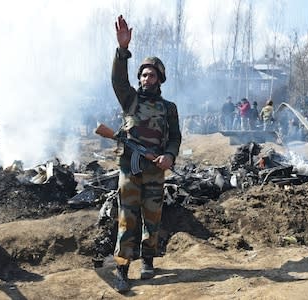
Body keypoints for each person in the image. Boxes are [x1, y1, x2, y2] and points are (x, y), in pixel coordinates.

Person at [112, 15, 181, 293]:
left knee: (152, 218)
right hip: (130, 168)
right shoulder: (130, 98)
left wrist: (170, 156)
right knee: (127, 219)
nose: (145, 78)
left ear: (160, 78)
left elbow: (175, 137)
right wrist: (122, 51)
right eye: (142, 74)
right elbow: (118, 79)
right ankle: (122, 268)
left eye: (151, 74)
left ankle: (149, 260)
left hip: (155, 170)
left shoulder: (169, 107)